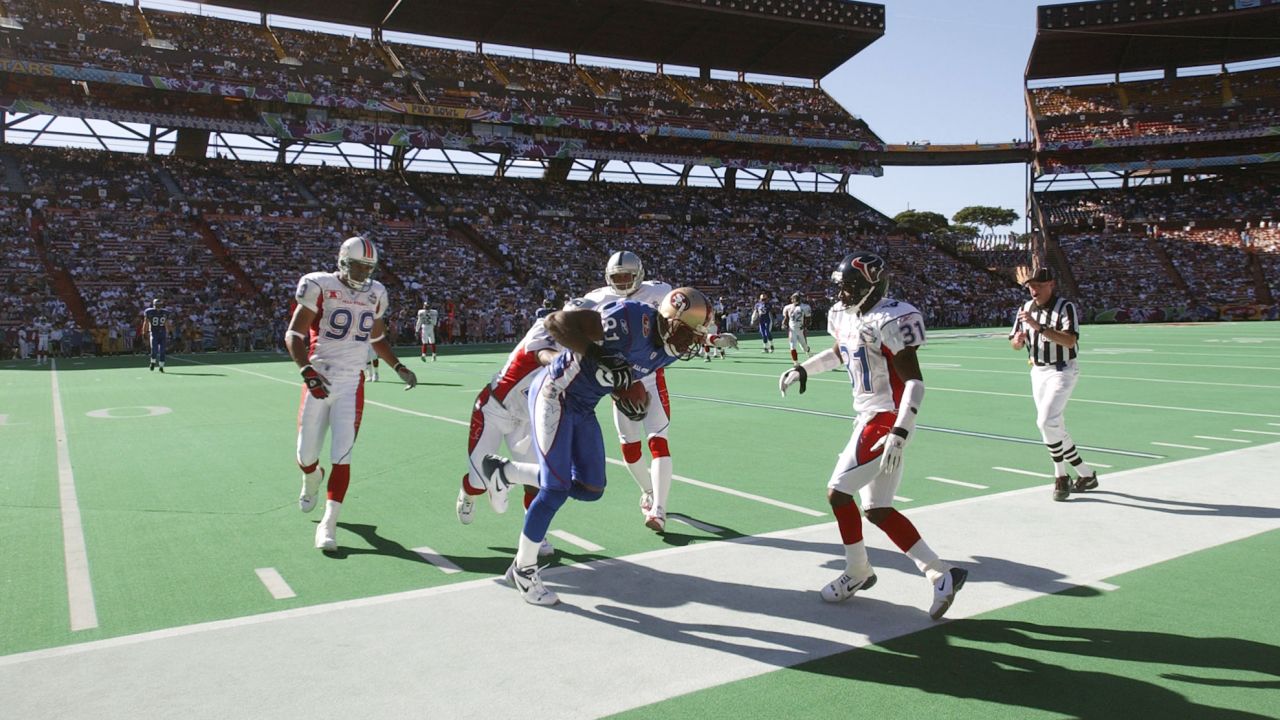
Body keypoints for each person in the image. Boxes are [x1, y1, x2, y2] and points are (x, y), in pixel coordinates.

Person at [493, 286, 714, 605]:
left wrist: (626, 390)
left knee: (590, 488)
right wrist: (600, 354)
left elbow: (624, 373)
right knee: (554, 490)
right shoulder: (629, 319)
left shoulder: (669, 349)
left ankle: (508, 473)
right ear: (671, 319)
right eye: (690, 331)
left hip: (583, 405)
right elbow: (556, 322)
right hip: (555, 394)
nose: (691, 341)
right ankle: (524, 570)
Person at [779, 251, 967, 621]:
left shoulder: (891, 317)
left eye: (851, 285)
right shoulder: (843, 315)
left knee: (838, 492)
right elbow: (840, 352)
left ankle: (858, 570)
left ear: (872, 284)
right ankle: (939, 573)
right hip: (869, 416)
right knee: (878, 510)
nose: (844, 293)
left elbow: (914, 381)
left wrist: (901, 428)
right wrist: (804, 369)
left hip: (885, 417)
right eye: (843, 285)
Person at [284, 236, 418, 552]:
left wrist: (398, 366)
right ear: (343, 261)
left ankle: (329, 525)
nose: (361, 272)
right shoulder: (319, 284)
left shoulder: (376, 293)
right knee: (306, 455)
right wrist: (307, 371)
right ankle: (311, 476)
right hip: (320, 377)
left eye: (367, 267)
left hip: (351, 384)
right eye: (357, 265)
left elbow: (377, 337)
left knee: (342, 455)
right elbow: (294, 334)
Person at [581, 251, 677, 532]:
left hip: (649, 375)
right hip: (619, 382)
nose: (622, 283)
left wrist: (707, 336)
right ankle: (649, 491)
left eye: (627, 276)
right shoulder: (596, 299)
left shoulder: (658, 292)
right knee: (630, 447)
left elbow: (683, 320)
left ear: (639, 274)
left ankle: (659, 508)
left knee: (658, 440)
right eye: (617, 277)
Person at [1009, 267, 1098, 501]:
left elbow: (1069, 341)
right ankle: (1086, 474)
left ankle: (1060, 475)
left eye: (1038, 285)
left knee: (1045, 421)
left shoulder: (1065, 307)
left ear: (1051, 285)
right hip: (1037, 370)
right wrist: (1018, 342)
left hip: (1062, 370)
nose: (1033, 289)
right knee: (1054, 426)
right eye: (1030, 285)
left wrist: (1039, 327)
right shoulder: (1025, 308)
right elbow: (1014, 342)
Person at [781, 292, 813, 363]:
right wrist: (783, 323)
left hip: (801, 329)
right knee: (792, 346)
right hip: (792, 330)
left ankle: (810, 355)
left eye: (797, 298)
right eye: (794, 298)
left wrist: (806, 326)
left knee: (804, 347)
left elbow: (808, 318)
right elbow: (786, 318)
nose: (795, 299)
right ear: (791, 299)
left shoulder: (805, 307)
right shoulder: (787, 307)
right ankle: (796, 363)